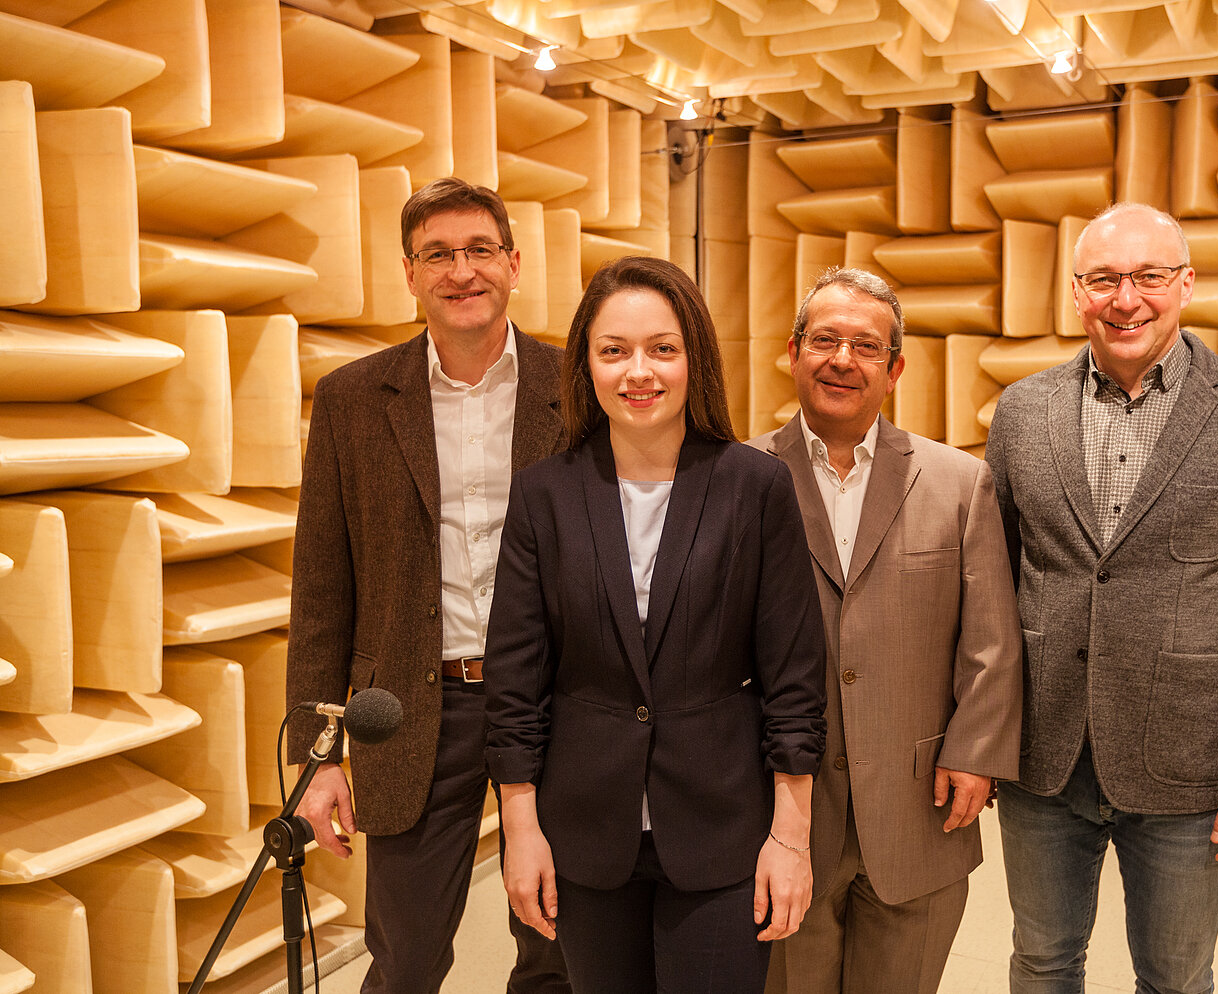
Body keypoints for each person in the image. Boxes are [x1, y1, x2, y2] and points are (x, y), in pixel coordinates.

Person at [985, 202, 1218, 993]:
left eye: (1148, 276)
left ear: (1187, 284)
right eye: (1104, 278)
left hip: (1187, 769)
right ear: (1077, 291)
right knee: (1041, 964)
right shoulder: (1022, 411)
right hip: (1042, 759)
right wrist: (978, 743)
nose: (1126, 298)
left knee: (1176, 979)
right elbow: (989, 596)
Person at [484, 255, 827, 994]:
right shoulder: (544, 494)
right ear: (587, 365)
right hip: (584, 832)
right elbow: (515, 680)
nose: (638, 372)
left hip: (723, 831)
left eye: (662, 348)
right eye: (614, 350)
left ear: (693, 357)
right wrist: (521, 829)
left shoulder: (754, 487)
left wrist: (790, 837)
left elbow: (794, 678)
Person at [286, 177, 570, 994]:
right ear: (409, 274)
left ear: (515, 263)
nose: (462, 270)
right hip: (411, 712)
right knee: (405, 962)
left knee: (557, 950)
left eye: (480, 249)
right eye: (437, 254)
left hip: (554, 703)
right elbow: (322, 589)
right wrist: (318, 754)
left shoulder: (576, 387)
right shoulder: (351, 399)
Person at [751, 268, 1024, 994]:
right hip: (781, 815)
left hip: (919, 811)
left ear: (895, 369)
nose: (843, 359)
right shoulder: (736, 475)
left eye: (866, 346)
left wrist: (976, 754)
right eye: (825, 340)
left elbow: (992, 641)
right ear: (793, 352)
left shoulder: (958, 482)